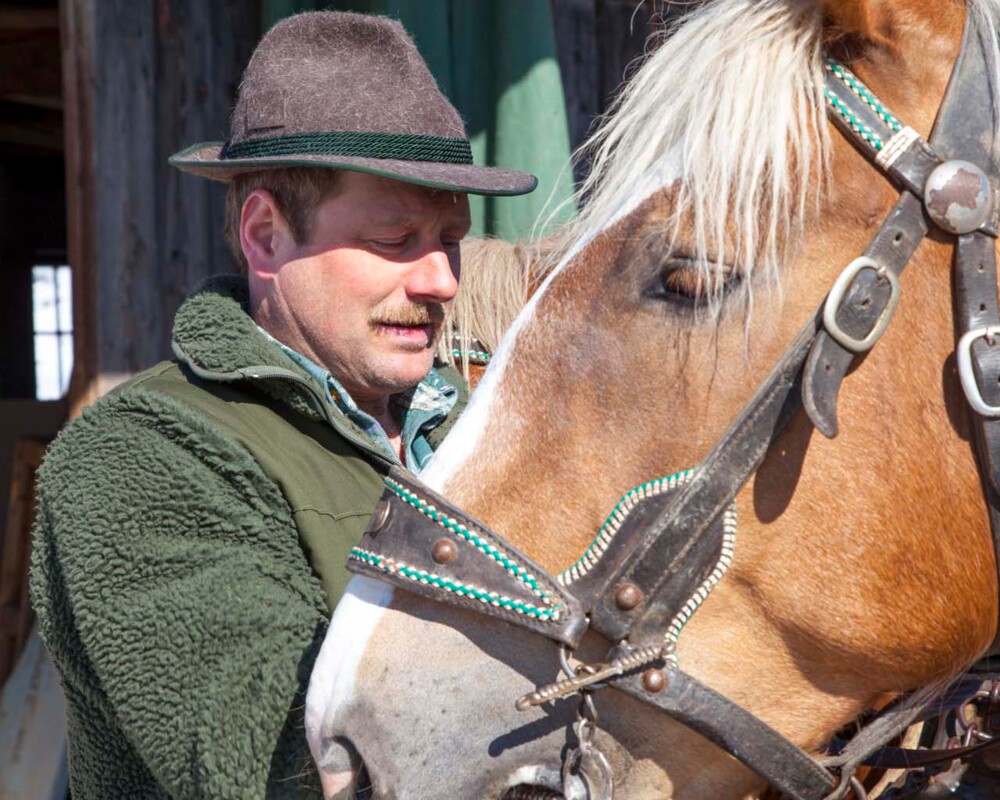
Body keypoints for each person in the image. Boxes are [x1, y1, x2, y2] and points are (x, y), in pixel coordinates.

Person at [30, 12, 536, 799]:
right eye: (397, 238)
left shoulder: (482, 425)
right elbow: (292, 762)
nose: (441, 280)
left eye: (451, 239)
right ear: (265, 236)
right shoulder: (137, 456)